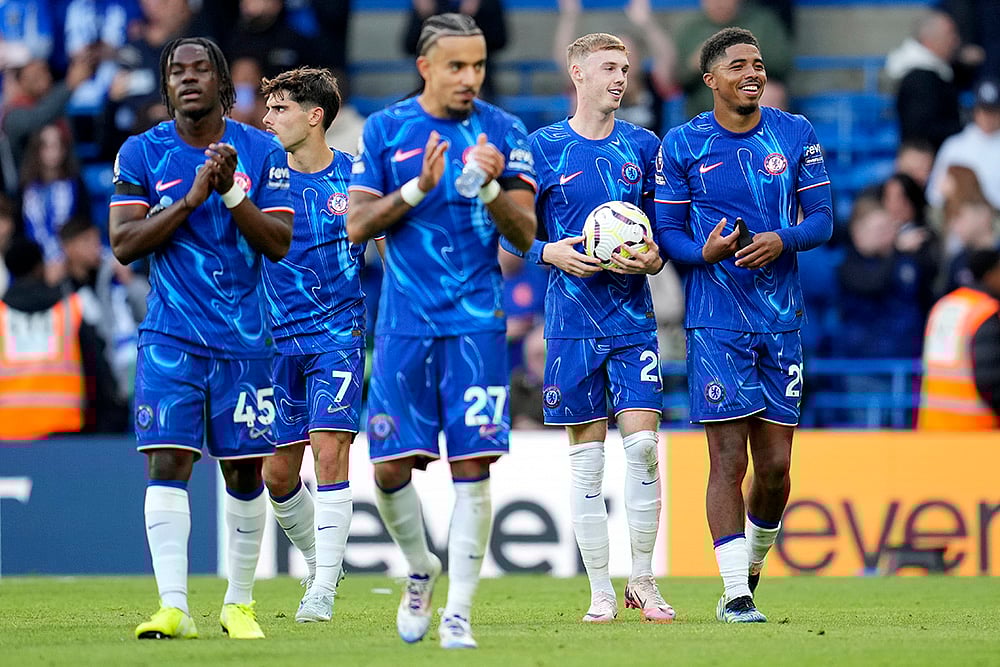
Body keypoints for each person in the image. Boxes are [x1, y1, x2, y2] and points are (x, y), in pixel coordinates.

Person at [346, 13, 536, 649]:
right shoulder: (386, 129)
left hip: (477, 324)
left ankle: (459, 612)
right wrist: (416, 188)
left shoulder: (503, 131)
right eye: (457, 66)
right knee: (388, 469)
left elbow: (525, 237)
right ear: (425, 66)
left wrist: (490, 189)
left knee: (473, 465)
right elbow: (356, 226)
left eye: (477, 65)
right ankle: (420, 567)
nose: (469, 77)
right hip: (404, 324)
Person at [108, 37, 294, 640]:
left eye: (201, 69)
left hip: (245, 341)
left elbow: (278, 242)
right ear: (167, 86)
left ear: (222, 82)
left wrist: (231, 192)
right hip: (171, 337)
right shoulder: (142, 152)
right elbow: (124, 244)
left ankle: (239, 604)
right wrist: (191, 199)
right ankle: (174, 607)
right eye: (176, 71)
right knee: (168, 460)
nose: (188, 78)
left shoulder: (263, 151)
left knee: (243, 471)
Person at [654, 27, 833, 622]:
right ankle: (735, 593)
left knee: (776, 468)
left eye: (757, 63)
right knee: (728, 460)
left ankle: (751, 566)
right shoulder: (683, 143)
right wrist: (702, 253)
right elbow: (668, 233)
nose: (752, 73)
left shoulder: (794, 132)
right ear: (711, 79)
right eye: (738, 65)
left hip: (781, 322)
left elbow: (823, 219)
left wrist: (782, 238)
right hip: (716, 324)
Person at [504, 31, 674, 624]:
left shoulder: (644, 146)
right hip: (570, 324)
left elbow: (663, 236)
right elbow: (510, 231)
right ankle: (601, 589)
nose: (620, 78)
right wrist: (548, 252)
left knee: (644, 447)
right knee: (587, 461)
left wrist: (653, 258)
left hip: (633, 321)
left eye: (625, 68)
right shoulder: (542, 147)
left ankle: (643, 580)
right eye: (608, 67)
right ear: (577, 73)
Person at [258, 66, 373, 623]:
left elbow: (392, 246)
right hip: (275, 342)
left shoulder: (355, 179)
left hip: (337, 335)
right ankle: (321, 561)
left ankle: (322, 588)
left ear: (314, 116)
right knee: (277, 476)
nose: (267, 118)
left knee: (330, 451)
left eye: (279, 108)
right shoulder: (260, 181)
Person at [0, 237, 115, 440]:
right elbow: (98, 370)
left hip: (7, 434)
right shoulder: (71, 309)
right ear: (40, 267)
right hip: (64, 433)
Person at [919, 248, 1000, 429]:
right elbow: (991, 380)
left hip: (935, 427)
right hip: (975, 429)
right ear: (990, 274)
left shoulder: (945, 305)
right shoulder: (985, 312)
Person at [673, 0, 792, 120]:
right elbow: (676, 79)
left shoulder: (762, 22)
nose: (719, 3)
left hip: (750, 92)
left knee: (770, 93)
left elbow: (781, 63)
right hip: (705, 107)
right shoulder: (691, 29)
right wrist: (696, 64)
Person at [884, 9, 983, 151]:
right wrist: (967, 126)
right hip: (927, 158)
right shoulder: (919, 79)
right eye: (950, 34)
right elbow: (923, 129)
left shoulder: (937, 71)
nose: (956, 41)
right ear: (929, 40)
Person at [926, 78, 1000, 211]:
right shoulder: (954, 145)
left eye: (993, 112)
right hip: (957, 215)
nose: (988, 117)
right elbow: (934, 195)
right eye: (984, 111)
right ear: (975, 111)